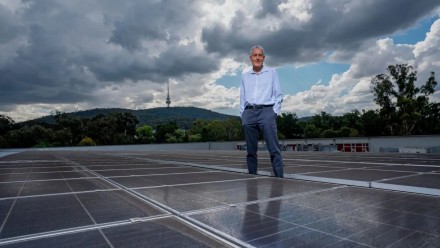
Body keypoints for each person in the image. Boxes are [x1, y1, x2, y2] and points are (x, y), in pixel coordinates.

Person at [239, 45, 284, 178]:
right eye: (255, 55)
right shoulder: (245, 76)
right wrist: (243, 115)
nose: (257, 58)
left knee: (274, 149)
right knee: (251, 151)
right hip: (249, 113)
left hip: (266, 112)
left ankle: (279, 178)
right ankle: (252, 178)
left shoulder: (272, 72)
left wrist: (274, 112)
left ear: (263, 58)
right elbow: (242, 96)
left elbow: (278, 95)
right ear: (250, 58)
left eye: (260, 55)